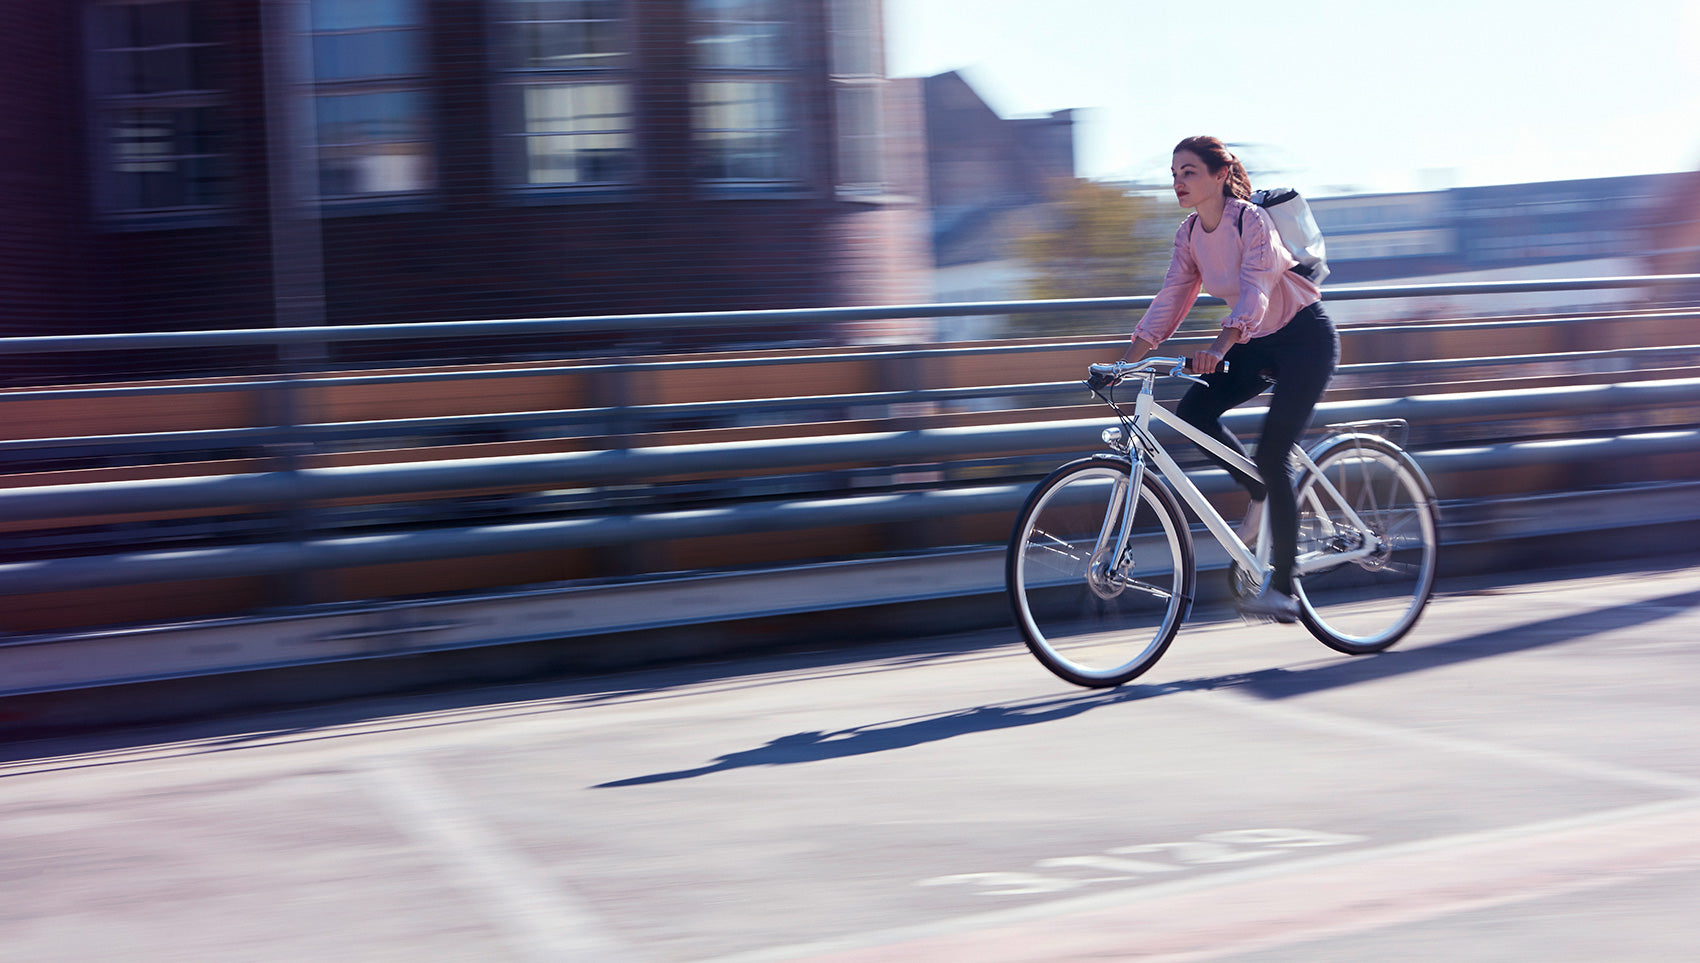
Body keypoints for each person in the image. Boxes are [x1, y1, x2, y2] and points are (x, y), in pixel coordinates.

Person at [1120, 135, 1339, 623]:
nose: (1178, 182)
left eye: (1189, 172)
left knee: (1272, 452)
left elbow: (1257, 290)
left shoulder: (1251, 220)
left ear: (1220, 175)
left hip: (1304, 338)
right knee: (1194, 412)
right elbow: (1173, 295)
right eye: (1174, 174)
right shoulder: (1190, 233)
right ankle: (1259, 491)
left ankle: (1284, 588)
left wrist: (1219, 348)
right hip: (1255, 340)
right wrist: (1128, 359)